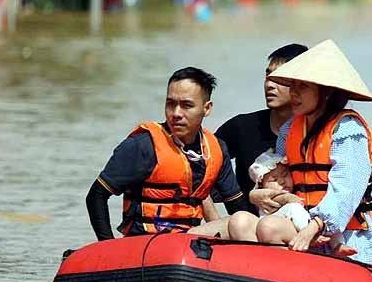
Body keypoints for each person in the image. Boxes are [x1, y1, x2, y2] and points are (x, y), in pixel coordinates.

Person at [227, 40, 372, 266]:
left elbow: (346, 192)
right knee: (240, 221)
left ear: (326, 92)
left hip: (337, 233)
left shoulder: (348, 129)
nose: (293, 93)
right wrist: (258, 194)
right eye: (292, 86)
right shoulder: (290, 129)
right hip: (296, 218)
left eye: (302, 87)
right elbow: (279, 174)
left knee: (268, 226)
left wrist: (315, 226)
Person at [85, 67, 250, 240]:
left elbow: (237, 207)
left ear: (206, 109)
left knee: (243, 221)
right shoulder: (143, 146)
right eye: (171, 104)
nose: (176, 113)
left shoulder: (216, 149)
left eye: (187, 105)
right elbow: (96, 196)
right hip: (144, 243)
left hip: (188, 243)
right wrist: (108, 247)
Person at [215, 43, 308, 209]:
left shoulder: (319, 133)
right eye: (268, 75)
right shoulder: (241, 127)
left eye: (279, 78)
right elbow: (199, 167)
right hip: (243, 226)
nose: (269, 84)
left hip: (303, 225)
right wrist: (233, 200)